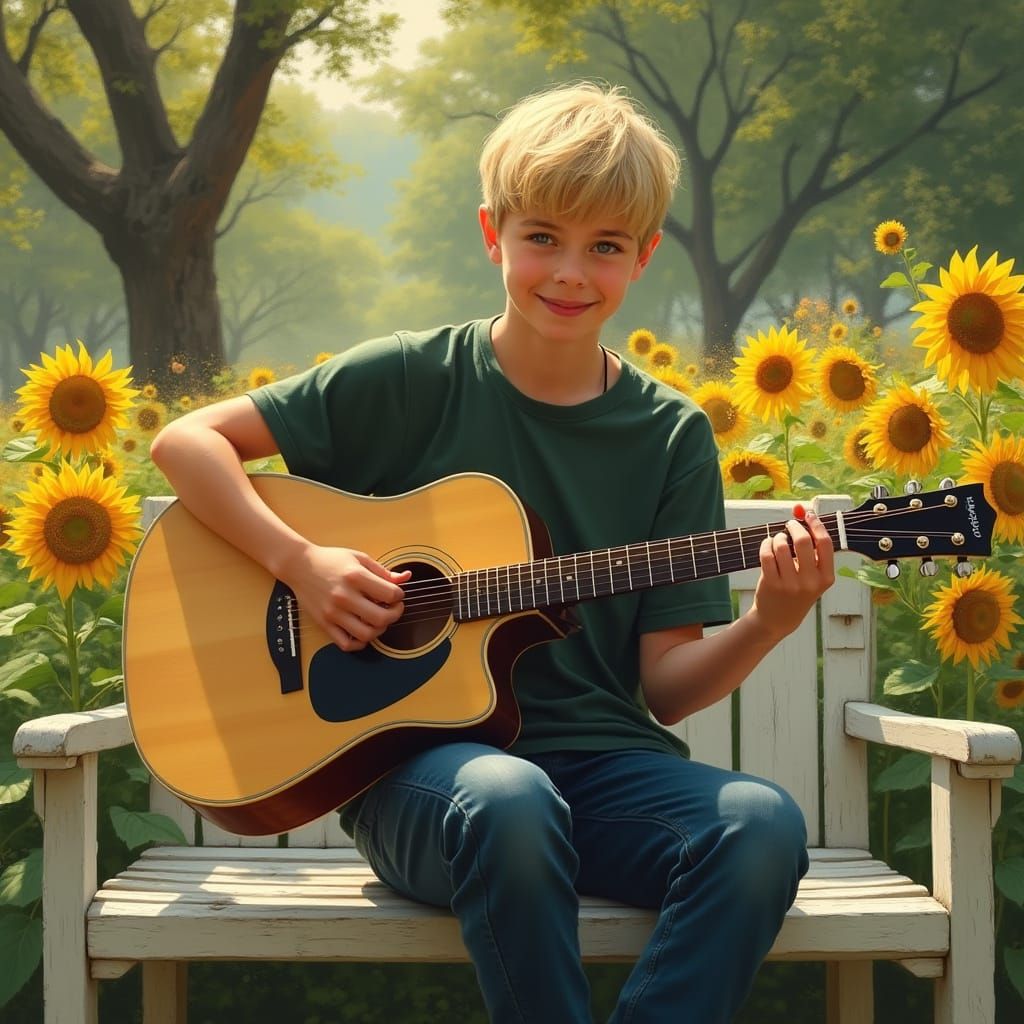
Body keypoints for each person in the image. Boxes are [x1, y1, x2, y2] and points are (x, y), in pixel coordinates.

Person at [150, 81, 835, 1024]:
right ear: (492, 234)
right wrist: (301, 563)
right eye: (543, 237)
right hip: (423, 780)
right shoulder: (410, 377)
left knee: (761, 827)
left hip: (602, 774)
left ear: (641, 258)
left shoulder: (669, 434)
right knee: (509, 800)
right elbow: (187, 444)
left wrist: (770, 616)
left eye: (604, 247)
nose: (568, 272)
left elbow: (668, 687)